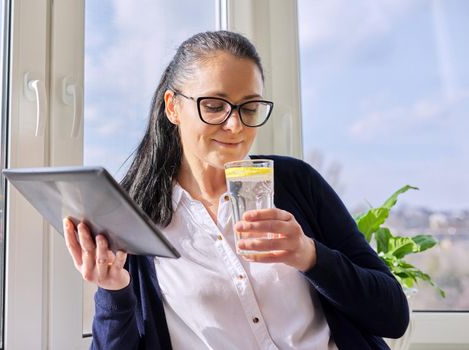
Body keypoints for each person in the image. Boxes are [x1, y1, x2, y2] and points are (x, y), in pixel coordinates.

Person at [63, 30, 409, 349]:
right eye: (214, 106)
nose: (235, 125)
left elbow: (393, 316)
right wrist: (113, 292)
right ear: (173, 107)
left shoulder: (297, 182)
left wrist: (310, 255)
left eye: (250, 107)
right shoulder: (135, 215)